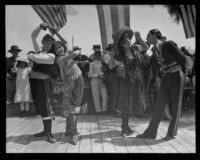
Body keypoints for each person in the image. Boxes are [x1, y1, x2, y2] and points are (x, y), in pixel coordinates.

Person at [136, 29, 189, 140]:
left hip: (176, 75)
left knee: (176, 106)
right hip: (166, 77)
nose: (147, 38)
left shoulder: (167, 44)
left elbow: (183, 58)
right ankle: (150, 133)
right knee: (159, 105)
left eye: (148, 35)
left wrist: (184, 74)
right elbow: (150, 65)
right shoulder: (155, 50)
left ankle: (171, 133)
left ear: (155, 35)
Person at [109, 27, 149, 137]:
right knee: (125, 104)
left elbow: (146, 47)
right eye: (124, 39)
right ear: (121, 43)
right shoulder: (119, 55)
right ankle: (125, 128)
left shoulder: (136, 48)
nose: (127, 40)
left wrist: (139, 38)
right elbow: (111, 67)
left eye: (128, 38)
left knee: (133, 103)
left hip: (136, 80)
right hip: (125, 82)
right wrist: (111, 57)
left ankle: (125, 126)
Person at [51, 27, 84, 145]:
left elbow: (64, 42)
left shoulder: (66, 52)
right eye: (56, 49)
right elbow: (73, 54)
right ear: (54, 52)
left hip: (78, 80)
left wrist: (56, 33)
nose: (59, 49)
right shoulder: (59, 59)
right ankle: (74, 133)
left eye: (60, 47)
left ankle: (69, 130)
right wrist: (77, 52)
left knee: (73, 106)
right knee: (72, 108)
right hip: (70, 82)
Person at [27, 23, 58, 143]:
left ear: (52, 45)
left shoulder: (51, 55)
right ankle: (45, 130)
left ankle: (50, 134)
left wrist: (30, 55)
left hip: (43, 83)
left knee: (46, 107)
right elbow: (33, 36)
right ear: (43, 42)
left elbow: (37, 59)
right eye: (45, 42)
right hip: (34, 82)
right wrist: (40, 26)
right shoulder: (39, 50)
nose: (46, 44)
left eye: (49, 43)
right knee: (40, 106)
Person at [88, 45, 108, 115]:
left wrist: (104, 76)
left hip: (103, 81)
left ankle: (104, 110)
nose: (98, 56)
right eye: (97, 54)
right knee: (96, 96)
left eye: (99, 54)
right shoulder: (92, 64)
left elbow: (107, 72)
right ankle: (98, 111)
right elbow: (89, 74)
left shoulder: (105, 63)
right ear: (95, 55)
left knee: (104, 96)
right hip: (95, 81)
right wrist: (97, 75)